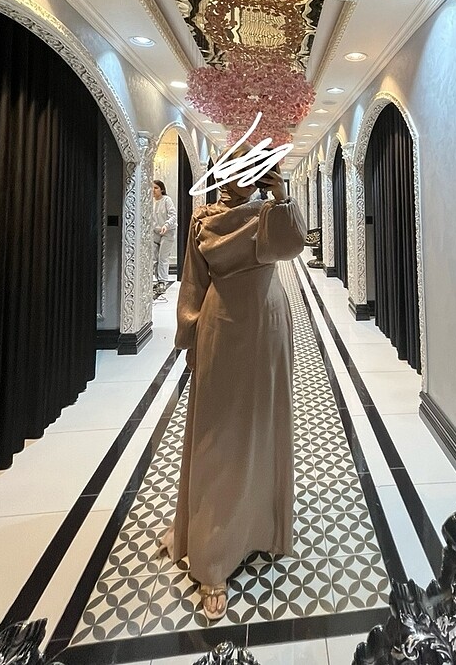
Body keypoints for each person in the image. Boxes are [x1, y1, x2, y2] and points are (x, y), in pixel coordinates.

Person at [157, 149, 306, 621]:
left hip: (268, 326)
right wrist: (189, 338)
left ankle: (261, 529)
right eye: (235, 169)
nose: (243, 177)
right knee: (217, 440)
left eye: (251, 170)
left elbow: (293, 244)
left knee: (263, 428)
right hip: (221, 329)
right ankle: (213, 556)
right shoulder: (202, 220)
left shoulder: (266, 215)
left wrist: (281, 195)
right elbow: (192, 285)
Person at [152, 179, 177, 284]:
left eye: (156, 188)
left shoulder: (166, 200)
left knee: (163, 257)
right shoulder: (150, 201)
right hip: (154, 232)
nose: (153, 190)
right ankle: (157, 279)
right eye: (152, 188)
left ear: (161, 189)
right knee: (154, 257)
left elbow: (173, 215)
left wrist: (166, 225)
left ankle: (162, 281)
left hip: (168, 232)